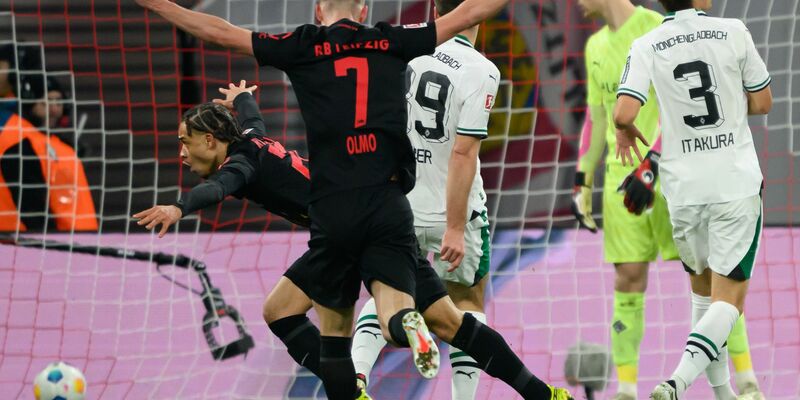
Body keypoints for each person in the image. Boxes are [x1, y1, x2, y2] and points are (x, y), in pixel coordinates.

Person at [134, 0, 515, 397]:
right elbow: (468, 14)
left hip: (334, 213)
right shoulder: (388, 40)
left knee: (335, 334)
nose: (183, 152)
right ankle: (408, 330)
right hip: (388, 202)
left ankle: (359, 383)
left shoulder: (301, 49)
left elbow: (219, 33)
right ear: (364, 11)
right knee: (417, 313)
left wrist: (159, 4)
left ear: (317, 11)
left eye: (185, 142)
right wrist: (244, 100)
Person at [573, 1, 763, 399]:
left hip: (668, 178)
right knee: (720, 289)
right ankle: (638, 388)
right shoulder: (596, 46)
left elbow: (630, 113)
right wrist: (583, 179)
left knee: (708, 290)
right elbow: (596, 116)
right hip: (660, 179)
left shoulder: (652, 32)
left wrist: (650, 163)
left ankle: (740, 385)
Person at [350, 0, 498, 397]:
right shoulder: (482, 70)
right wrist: (455, 226)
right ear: (478, 13)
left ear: (434, 8)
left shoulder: (404, 47)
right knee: (466, 302)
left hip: (401, 204)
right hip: (455, 212)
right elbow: (464, 153)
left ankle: (356, 377)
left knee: (388, 293)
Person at [0, 65, 97, 232]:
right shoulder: (22, 143)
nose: (54, 109)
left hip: (78, 236)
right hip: (45, 239)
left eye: (58, 101)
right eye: (46, 101)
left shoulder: (53, 144)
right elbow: (31, 206)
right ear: (30, 103)